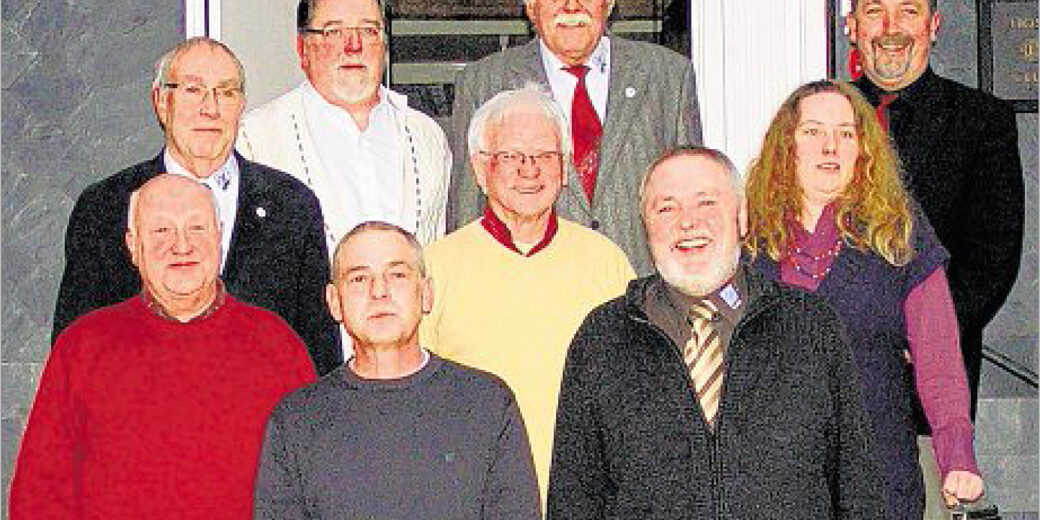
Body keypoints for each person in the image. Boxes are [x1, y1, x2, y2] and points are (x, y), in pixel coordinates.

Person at [548, 147, 889, 520]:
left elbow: (860, 487)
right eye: (667, 208)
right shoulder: (602, 338)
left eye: (706, 203)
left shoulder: (811, 327)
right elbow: (573, 498)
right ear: (645, 226)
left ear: (742, 217)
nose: (688, 222)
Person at [744, 80, 984, 519]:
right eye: (813, 131)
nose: (830, 146)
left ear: (864, 149)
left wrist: (958, 456)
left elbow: (940, 362)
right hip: (773, 481)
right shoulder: (748, 238)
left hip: (878, 477)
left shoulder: (900, 233)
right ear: (787, 146)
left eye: (846, 133)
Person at [11, 175, 316, 518]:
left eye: (196, 228)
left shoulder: (277, 344)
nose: (182, 246)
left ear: (219, 237)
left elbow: (312, 484)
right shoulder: (82, 347)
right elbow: (39, 494)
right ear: (133, 246)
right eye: (161, 231)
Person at [52, 37, 341, 375]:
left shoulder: (291, 205)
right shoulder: (105, 207)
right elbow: (72, 354)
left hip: (264, 407)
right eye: (193, 90)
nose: (210, 108)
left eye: (226, 92)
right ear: (161, 102)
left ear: (241, 105)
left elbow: (319, 355)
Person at [420, 85, 634, 503]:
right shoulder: (433, 268)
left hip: (583, 493)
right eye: (512, 156)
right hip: (475, 493)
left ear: (565, 168)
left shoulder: (606, 262)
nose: (529, 170)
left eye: (545, 156)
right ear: (480, 168)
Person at [253, 222, 541, 520]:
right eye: (359, 278)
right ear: (334, 302)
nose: (379, 292)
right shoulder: (296, 421)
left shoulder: (487, 405)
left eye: (397, 275)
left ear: (426, 293)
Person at [847, 0, 1024, 416]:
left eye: (909, 11)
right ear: (852, 27)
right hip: (832, 386)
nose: (891, 28)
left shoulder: (982, 122)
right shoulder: (816, 117)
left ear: (934, 26)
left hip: (928, 391)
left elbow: (991, 258)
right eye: (874, 11)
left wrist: (926, 336)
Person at [447, 0, 702, 275]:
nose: (571, 6)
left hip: (640, 284)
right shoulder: (483, 83)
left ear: (609, 3)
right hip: (529, 284)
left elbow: (692, 197)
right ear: (531, 6)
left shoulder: (667, 76)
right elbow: (467, 211)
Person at [238, 0, 450, 250]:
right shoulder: (254, 140)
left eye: (368, 30)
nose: (353, 46)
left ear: (384, 45)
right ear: (303, 49)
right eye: (334, 31)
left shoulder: (427, 137)